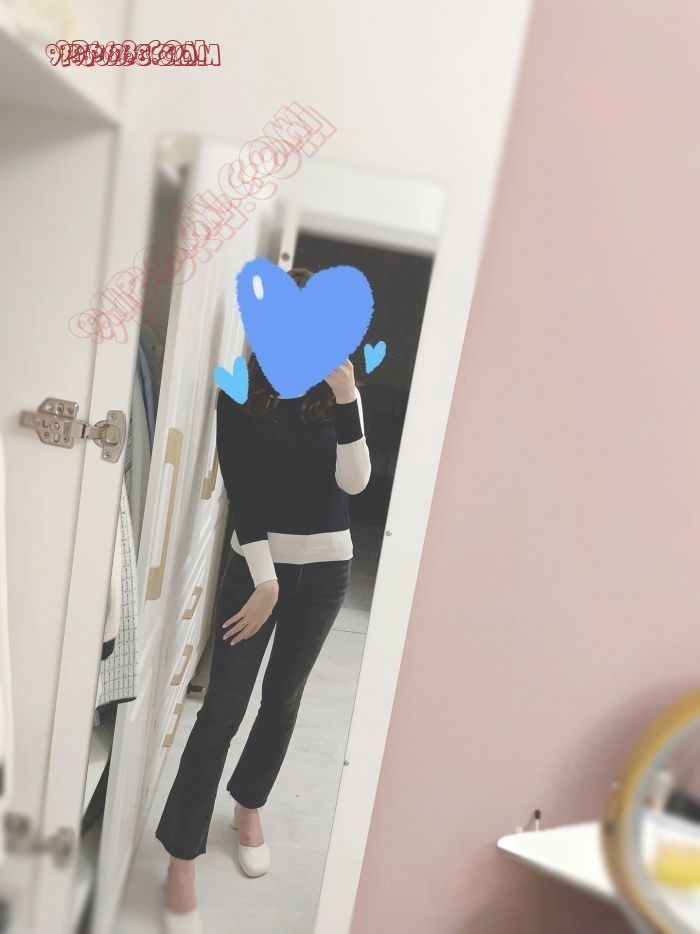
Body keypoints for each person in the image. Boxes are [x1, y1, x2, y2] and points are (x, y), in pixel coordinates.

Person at [157, 267, 371, 929]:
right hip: (256, 572)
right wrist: (267, 578)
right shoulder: (239, 387)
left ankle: (248, 806)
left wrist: (349, 400)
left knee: (283, 701)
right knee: (222, 710)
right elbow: (243, 495)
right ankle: (182, 855)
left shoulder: (337, 390)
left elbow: (355, 484)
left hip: (327, 573)